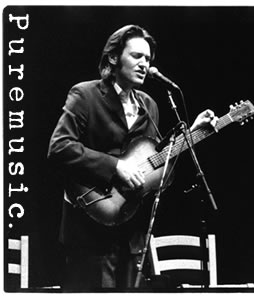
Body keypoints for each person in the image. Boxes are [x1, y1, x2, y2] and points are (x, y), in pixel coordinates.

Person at [47, 24, 218, 291]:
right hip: (89, 228)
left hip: (133, 234)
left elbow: (156, 157)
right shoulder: (85, 94)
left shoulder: (149, 105)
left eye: (148, 59)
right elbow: (59, 147)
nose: (144, 64)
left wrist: (194, 131)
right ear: (114, 57)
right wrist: (116, 167)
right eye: (136, 56)